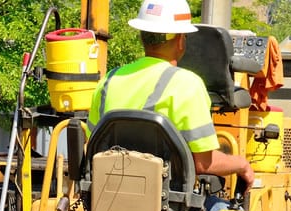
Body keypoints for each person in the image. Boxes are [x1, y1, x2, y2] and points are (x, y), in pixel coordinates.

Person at [87, 0, 255, 193]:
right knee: (226, 209)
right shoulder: (188, 84)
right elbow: (203, 164)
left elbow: (93, 145)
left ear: (142, 36)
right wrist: (242, 164)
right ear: (181, 40)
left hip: (107, 202)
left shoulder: (109, 80)